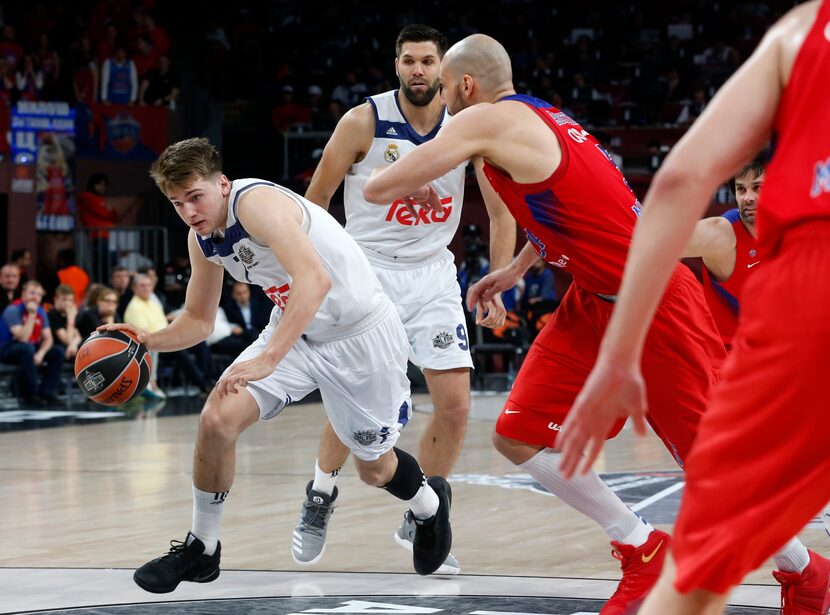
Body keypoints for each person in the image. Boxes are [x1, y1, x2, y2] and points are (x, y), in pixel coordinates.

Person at [359, 33, 809, 614]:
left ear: (466, 86)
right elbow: (574, 211)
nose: (442, 102)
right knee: (517, 433)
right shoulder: (546, 119)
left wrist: (409, 156)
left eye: (445, 89)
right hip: (593, 300)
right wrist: (517, 268)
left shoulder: (483, 122)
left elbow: (377, 187)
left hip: (651, 305)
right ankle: (640, 546)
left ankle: (804, 572)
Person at [556, 2, 830, 613]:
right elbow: (650, 234)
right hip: (745, 368)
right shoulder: (723, 234)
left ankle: (802, 576)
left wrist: (620, 352)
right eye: (745, 187)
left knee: (699, 570)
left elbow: (675, 185)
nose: (752, 197)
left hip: (795, 334)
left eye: (760, 185)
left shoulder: (803, 30)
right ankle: (808, 578)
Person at [101, 137, 452, 594]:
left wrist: (269, 358)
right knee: (217, 419)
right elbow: (199, 320)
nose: (188, 211)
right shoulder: (202, 238)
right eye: (176, 202)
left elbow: (315, 280)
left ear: (221, 184)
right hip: (296, 330)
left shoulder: (257, 204)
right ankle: (202, 549)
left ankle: (429, 504)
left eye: (195, 197)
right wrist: (148, 340)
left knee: (375, 469)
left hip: (360, 336)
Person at [290, 24, 514, 574]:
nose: (418, 69)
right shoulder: (363, 120)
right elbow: (313, 202)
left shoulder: (465, 126)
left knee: (457, 407)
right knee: (355, 400)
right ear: (396, 66)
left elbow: (503, 210)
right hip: (367, 273)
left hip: (434, 276)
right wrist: (311, 271)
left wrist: (502, 276)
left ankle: (423, 519)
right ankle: (321, 492)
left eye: (427, 61)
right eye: (409, 60)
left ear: (444, 70)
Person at [682, 157, 765, 350]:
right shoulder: (723, 234)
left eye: (757, 188)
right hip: (728, 362)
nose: (748, 197)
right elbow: (656, 243)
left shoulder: (792, 231)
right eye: (741, 189)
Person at [0, 280, 64, 406]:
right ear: (23, 294)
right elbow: (22, 338)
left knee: (57, 352)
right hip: (7, 348)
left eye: (39, 294)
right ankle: (31, 395)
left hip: (30, 347)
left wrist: (41, 353)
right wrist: (31, 315)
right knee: (27, 348)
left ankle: (48, 392)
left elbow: (48, 338)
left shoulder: (41, 312)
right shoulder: (13, 310)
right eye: (32, 293)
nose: (35, 297)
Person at [77, 172, 118, 282]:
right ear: (93, 184)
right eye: (99, 184)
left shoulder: (101, 199)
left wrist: (109, 210)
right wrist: (108, 210)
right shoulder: (86, 197)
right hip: (97, 236)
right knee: (101, 266)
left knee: (111, 265)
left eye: (104, 185)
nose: (102, 187)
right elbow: (105, 213)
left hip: (108, 236)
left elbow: (114, 215)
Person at [48, 284, 82, 360]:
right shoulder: (53, 314)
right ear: (56, 299)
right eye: (64, 300)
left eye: (70, 300)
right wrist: (70, 318)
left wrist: (73, 345)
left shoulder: (68, 314)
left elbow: (78, 336)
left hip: (68, 348)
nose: (67, 303)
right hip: (55, 347)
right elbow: (66, 340)